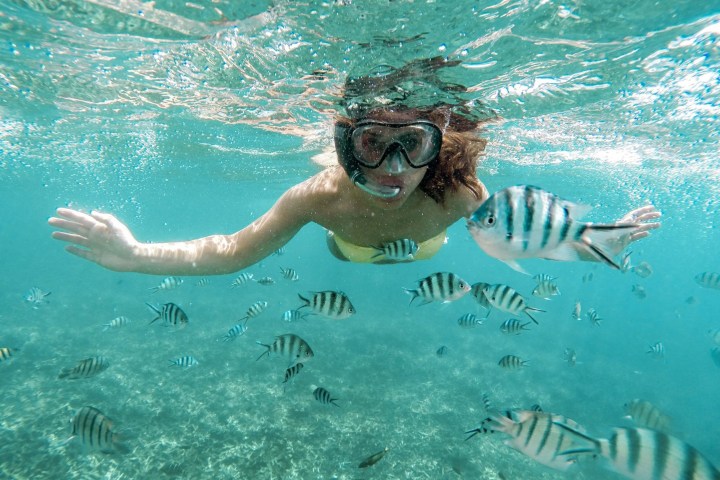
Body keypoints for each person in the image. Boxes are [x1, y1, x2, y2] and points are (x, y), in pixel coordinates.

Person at [48, 59, 660, 275]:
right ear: (344, 144)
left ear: (438, 146)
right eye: (372, 144)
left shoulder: (461, 194)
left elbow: (530, 236)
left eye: (414, 145)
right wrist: (135, 255)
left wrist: (599, 243)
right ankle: (351, 251)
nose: (395, 167)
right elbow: (232, 251)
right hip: (350, 243)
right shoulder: (315, 199)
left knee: (427, 252)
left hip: (429, 248)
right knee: (349, 253)